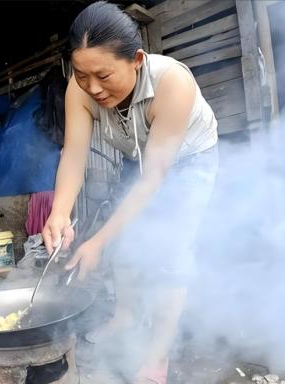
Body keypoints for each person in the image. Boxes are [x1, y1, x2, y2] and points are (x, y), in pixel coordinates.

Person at [41, 1, 219, 383]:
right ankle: (124, 316)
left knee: (171, 253)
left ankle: (157, 360)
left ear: (136, 59)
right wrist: (59, 213)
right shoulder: (80, 87)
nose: (92, 87)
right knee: (125, 239)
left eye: (103, 75)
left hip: (188, 160)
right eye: (81, 74)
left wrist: (98, 241)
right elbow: (73, 156)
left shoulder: (172, 83)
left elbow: (155, 178)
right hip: (138, 155)